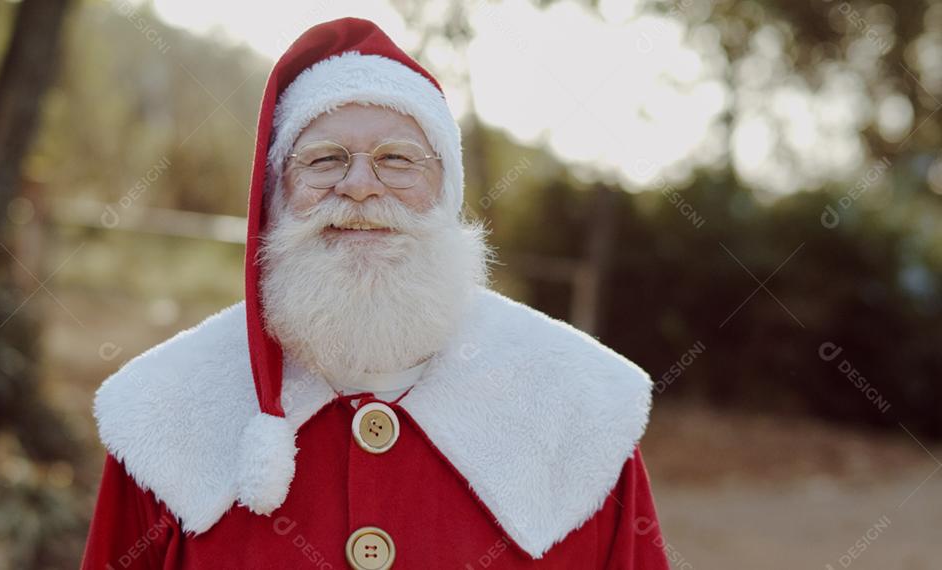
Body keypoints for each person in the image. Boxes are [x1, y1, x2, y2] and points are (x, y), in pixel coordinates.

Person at [81, 17, 669, 569]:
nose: (359, 186)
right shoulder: (162, 409)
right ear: (276, 195)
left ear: (446, 192)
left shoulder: (584, 406)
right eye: (324, 159)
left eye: (398, 160)